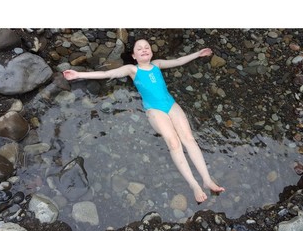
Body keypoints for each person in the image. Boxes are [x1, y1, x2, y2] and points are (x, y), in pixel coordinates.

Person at [63, 38, 225, 203]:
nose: (144, 49)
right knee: (174, 143)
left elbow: (178, 61)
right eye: (139, 48)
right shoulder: (132, 69)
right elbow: (107, 74)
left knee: (189, 139)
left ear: (151, 52)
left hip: (171, 105)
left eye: (146, 47)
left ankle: (206, 180)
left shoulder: (157, 64)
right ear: (134, 56)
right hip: (154, 110)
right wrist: (78, 74)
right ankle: (193, 185)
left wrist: (198, 53)